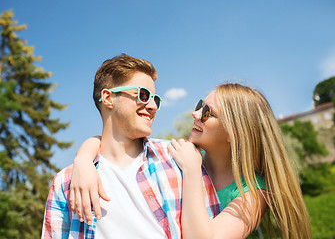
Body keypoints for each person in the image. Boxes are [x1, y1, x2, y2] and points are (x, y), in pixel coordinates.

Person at [71, 83, 312, 238]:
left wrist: (193, 172)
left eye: (207, 113)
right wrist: (83, 159)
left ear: (234, 133)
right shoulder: (185, 155)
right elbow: (122, 144)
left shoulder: (253, 193)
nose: (196, 114)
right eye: (200, 105)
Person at [41, 54, 221, 239]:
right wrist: (83, 159)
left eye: (155, 99)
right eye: (143, 95)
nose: (152, 106)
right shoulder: (66, 182)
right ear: (108, 98)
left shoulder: (180, 160)